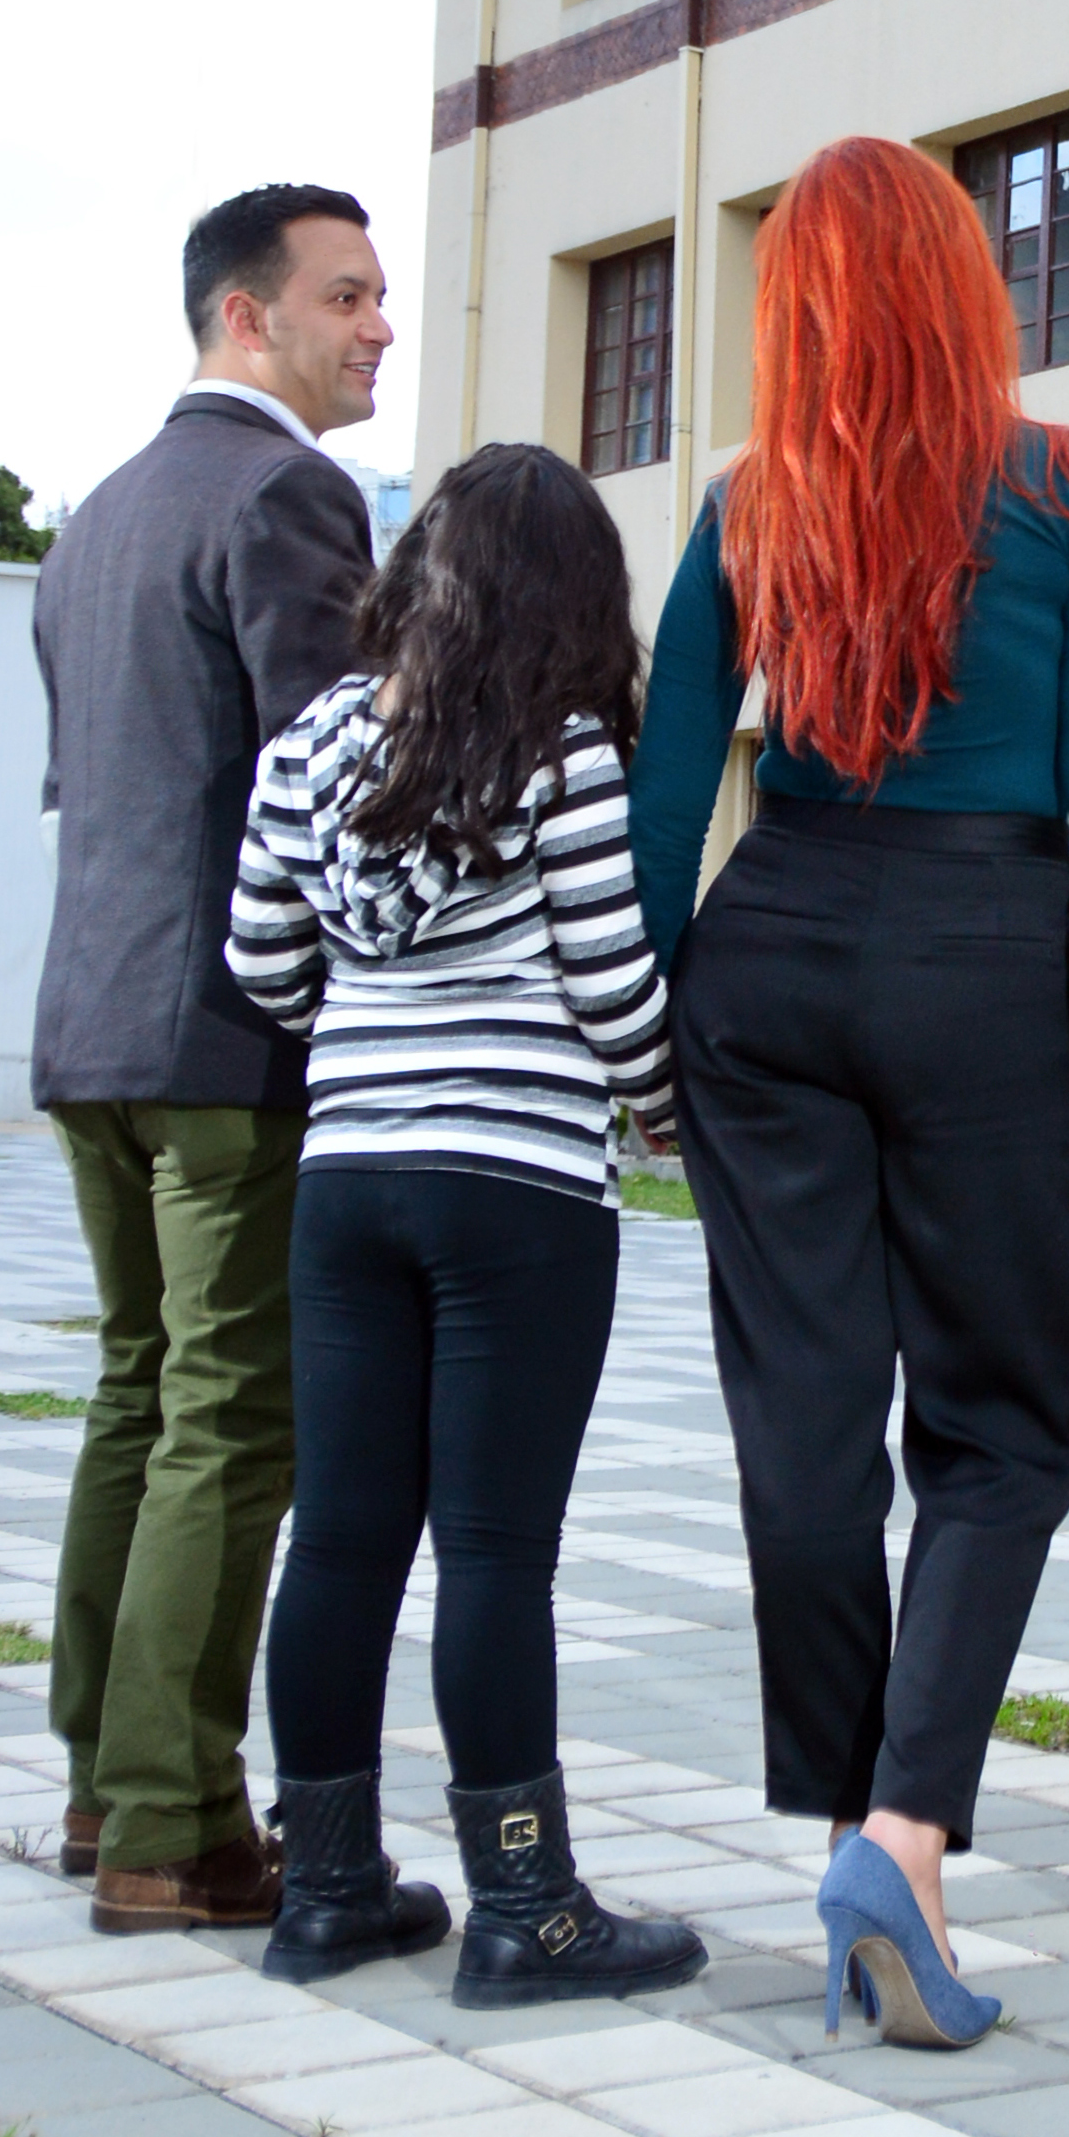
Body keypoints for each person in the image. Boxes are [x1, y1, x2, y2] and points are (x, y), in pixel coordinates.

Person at [629, 134, 1069, 2052]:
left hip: (766, 956)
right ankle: (901, 1828)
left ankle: (858, 1823)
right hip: (984, 960)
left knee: (805, 1423)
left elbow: (667, 799)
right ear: (963, 287)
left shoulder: (748, 505)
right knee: (1009, 1421)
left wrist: (670, 1038)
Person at [226, 443, 709, 2007]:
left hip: (346, 1179)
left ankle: (329, 1891)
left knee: (345, 1536)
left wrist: (364, 1028)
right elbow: (613, 984)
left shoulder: (308, 746)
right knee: (495, 1550)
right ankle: (524, 1908)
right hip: (515, 1187)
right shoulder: (563, 755)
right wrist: (661, 1102)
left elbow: (258, 960)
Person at [29, 186, 390, 1932]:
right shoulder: (287, 492)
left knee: (138, 1394)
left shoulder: (91, 517)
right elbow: (323, 780)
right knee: (231, 1421)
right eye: (347, 296)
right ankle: (177, 1825)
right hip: (222, 1040)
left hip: (84, 1027)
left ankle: (107, 1789)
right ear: (247, 319)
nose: (379, 324)